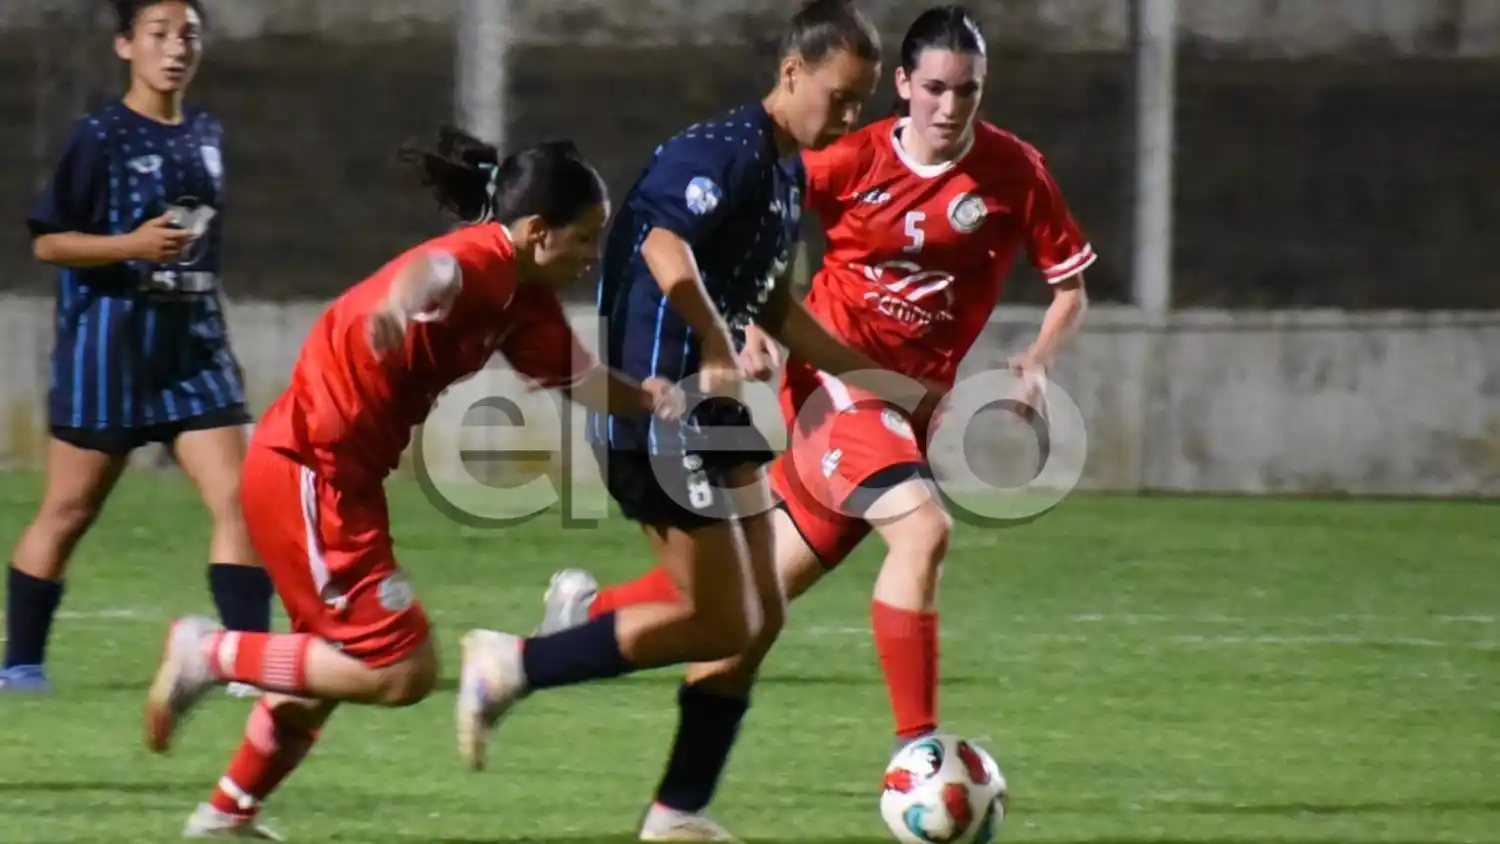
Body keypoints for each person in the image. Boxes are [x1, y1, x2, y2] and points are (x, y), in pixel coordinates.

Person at [538, 6, 1095, 837]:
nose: (949, 107)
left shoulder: (1015, 172)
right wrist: (757, 322)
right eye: (934, 88)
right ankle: (921, 755)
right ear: (902, 88)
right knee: (923, 532)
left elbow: (1071, 284)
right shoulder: (849, 156)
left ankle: (582, 633)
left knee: (745, 605)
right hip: (838, 390)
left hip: (907, 409)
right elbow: (760, 221)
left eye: (967, 91)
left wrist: (1038, 366)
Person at [451, 2, 938, 839]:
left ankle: (679, 811)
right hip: (657, 406)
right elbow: (661, 247)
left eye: (862, 103)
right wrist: (714, 340)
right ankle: (514, 665)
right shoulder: (722, 154)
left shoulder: (785, 175)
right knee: (718, 618)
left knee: (760, 618)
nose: (851, 117)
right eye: (841, 96)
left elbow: (773, 305)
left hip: (711, 411)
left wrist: (871, 379)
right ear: (792, 74)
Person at [140, 130, 675, 839]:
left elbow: (581, 382)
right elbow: (434, 274)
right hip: (311, 469)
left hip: (340, 478)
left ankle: (228, 812)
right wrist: (398, 307)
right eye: (583, 239)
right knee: (401, 667)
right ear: (537, 232)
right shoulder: (482, 259)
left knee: (331, 662)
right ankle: (207, 654)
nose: (590, 256)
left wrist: (650, 399)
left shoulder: (528, 304)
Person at [2, 0, 273, 694]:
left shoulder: (208, 133)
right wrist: (129, 246)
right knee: (67, 514)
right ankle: (21, 663)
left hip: (192, 355)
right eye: (158, 34)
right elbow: (48, 240)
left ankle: (246, 658)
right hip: (108, 357)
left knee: (246, 499)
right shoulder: (99, 136)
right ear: (125, 45)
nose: (176, 48)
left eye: (188, 34)